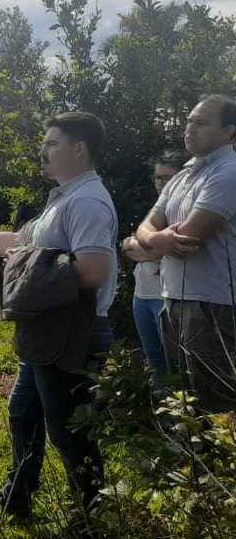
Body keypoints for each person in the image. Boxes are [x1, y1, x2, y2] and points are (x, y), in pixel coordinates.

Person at [0, 112, 117, 535]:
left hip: (73, 333)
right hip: (46, 332)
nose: (42, 151)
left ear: (79, 148)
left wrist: (30, 264)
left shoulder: (87, 201)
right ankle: (18, 497)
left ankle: (91, 526)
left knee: (69, 433)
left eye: (51, 143)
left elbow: (92, 270)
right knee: (22, 415)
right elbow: (18, 241)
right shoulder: (63, 197)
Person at [136, 94, 236, 412]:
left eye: (202, 123)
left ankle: (218, 463)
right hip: (175, 301)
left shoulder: (229, 172)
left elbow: (190, 239)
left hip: (215, 306)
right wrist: (158, 240)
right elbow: (146, 227)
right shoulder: (182, 176)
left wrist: (149, 243)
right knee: (186, 401)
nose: (190, 128)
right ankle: (193, 462)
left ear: (229, 132)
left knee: (218, 408)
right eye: (189, 121)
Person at [121, 153, 182, 378]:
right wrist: (144, 249)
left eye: (167, 178)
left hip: (166, 298)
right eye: (158, 177)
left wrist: (141, 247)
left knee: (174, 361)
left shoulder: (182, 212)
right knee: (153, 359)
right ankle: (160, 409)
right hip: (141, 296)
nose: (161, 183)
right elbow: (127, 247)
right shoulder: (153, 211)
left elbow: (152, 249)